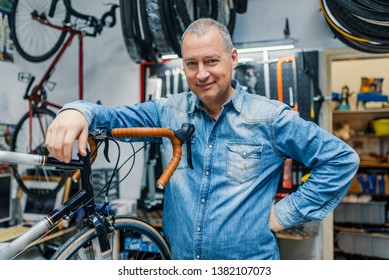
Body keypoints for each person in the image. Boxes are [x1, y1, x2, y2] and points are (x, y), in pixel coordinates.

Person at [45, 18, 359, 260]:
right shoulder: (168, 111)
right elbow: (113, 116)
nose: (201, 74)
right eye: (191, 64)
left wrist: (283, 215)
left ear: (233, 58)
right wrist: (76, 112)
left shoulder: (271, 118)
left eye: (211, 61)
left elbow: (341, 160)